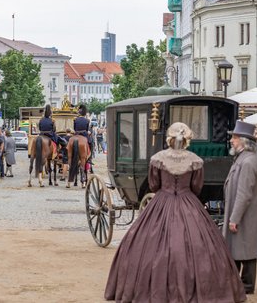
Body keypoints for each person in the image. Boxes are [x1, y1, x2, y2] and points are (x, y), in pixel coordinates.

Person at [105, 122, 246, 302]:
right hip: (189, 203)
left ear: (169, 139)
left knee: (144, 246)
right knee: (202, 246)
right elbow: (196, 187)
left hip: (161, 201)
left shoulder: (158, 159)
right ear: (187, 140)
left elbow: (154, 185)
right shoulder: (195, 160)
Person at [223, 121, 257, 295]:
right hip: (242, 213)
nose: (232, 141)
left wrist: (234, 218)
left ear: (243, 141)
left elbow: (244, 194)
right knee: (239, 248)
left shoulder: (247, 161)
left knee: (246, 250)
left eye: (234, 137)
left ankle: (246, 286)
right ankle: (238, 283)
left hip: (245, 214)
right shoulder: (244, 158)